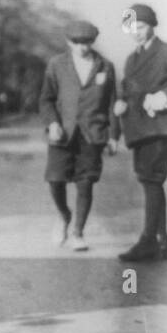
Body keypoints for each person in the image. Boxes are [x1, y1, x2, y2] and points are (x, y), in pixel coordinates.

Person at [38, 20, 117, 252]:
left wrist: (114, 135)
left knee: (86, 183)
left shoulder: (105, 66)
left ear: (93, 42)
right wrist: (52, 122)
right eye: (77, 42)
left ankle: (78, 232)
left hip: (92, 133)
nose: (82, 47)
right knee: (55, 179)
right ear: (68, 42)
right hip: (62, 132)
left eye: (87, 42)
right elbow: (46, 99)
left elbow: (112, 102)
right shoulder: (57, 64)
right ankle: (64, 215)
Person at [114, 3, 167, 262]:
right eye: (131, 28)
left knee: (151, 180)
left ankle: (148, 241)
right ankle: (162, 241)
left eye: (141, 27)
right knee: (150, 182)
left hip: (160, 125)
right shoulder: (132, 59)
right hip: (139, 129)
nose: (136, 33)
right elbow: (129, 88)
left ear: (152, 25)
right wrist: (121, 101)